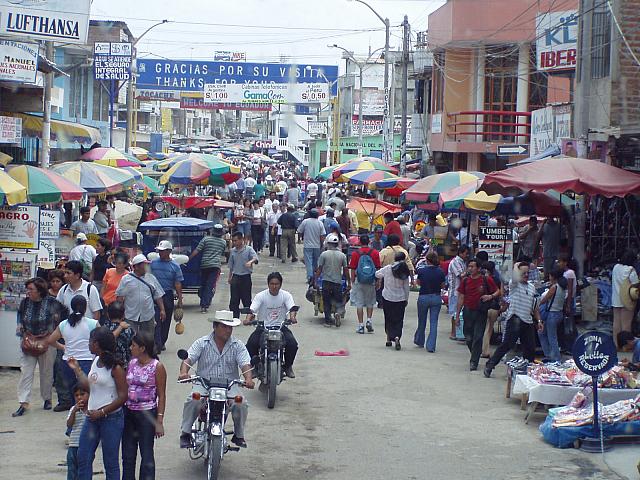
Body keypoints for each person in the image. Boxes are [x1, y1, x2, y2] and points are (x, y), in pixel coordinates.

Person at [179, 311, 254, 449]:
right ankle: (186, 432)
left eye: (230, 327)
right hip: (204, 384)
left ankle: (239, 435)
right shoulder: (202, 343)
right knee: (193, 400)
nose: (228, 330)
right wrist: (184, 373)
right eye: (224, 326)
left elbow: (245, 364)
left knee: (241, 403)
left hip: (229, 385)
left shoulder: (237, 345)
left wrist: (248, 379)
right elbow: (188, 358)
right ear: (215, 326)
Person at [70, 327, 127, 480]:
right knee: (83, 457)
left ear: (97, 345)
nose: (88, 344)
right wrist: (77, 370)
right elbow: (90, 387)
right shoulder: (96, 361)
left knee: (110, 462)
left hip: (111, 419)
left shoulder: (116, 368)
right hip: (92, 418)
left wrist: (102, 412)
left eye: (90, 341)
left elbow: (122, 397)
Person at [12, 277, 66, 417]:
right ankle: (23, 402)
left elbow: (64, 315)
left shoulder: (52, 303)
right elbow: (20, 317)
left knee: (46, 372)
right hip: (28, 341)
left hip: (47, 342)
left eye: (31, 289)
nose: (28, 292)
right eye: (28, 289)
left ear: (40, 291)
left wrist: (55, 333)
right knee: (26, 372)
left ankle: (47, 398)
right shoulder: (25, 303)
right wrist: (21, 331)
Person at [484, 262, 541, 378]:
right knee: (507, 345)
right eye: (523, 273)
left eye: (527, 273)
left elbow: (535, 307)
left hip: (528, 321)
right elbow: (514, 277)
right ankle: (490, 364)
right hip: (515, 318)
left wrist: (539, 321)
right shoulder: (514, 284)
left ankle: (527, 372)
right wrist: (516, 265)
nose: (526, 275)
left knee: (530, 348)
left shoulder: (531, 287)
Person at [122, 332, 167, 480]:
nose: (130, 348)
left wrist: (159, 421)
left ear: (142, 348)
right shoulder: (132, 363)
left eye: (133, 345)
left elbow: (161, 395)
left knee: (146, 454)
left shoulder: (157, 367)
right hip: (129, 412)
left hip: (147, 414)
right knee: (128, 454)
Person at [47, 295, 98, 407]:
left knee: (73, 392)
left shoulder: (64, 324)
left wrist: (63, 347)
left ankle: (75, 414)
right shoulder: (92, 324)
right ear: (85, 308)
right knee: (88, 392)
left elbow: (50, 340)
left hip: (68, 362)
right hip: (87, 360)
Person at [244, 272, 299, 377]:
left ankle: (288, 366)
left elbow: (292, 308)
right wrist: (247, 319)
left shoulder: (286, 295)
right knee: (251, 344)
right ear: (268, 284)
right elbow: (252, 310)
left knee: (292, 344)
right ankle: (255, 366)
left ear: (281, 284)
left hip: (281, 327)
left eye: (276, 284)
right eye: (272, 284)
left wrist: (292, 318)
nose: (274, 286)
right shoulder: (261, 296)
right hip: (262, 327)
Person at [456, 258, 498, 371]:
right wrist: (457, 314)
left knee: (478, 337)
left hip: (481, 311)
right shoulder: (465, 281)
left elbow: (497, 291)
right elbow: (461, 297)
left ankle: (474, 361)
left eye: (472, 266)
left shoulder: (486, 279)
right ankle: (475, 353)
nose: (470, 268)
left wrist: (490, 296)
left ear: (479, 268)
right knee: (468, 336)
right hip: (468, 311)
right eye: (469, 266)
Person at [116, 254, 166, 338]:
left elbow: (158, 295)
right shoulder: (126, 279)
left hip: (148, 315)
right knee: (130, 339)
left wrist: (162, 310)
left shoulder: (151, 278)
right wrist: (120, 314)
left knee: (148, 339)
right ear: (136, 267)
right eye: (144, 265)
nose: (147, 267)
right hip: (130, 315)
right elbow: (120, 297)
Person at [150, 240, 184, 351]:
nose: (160, 253)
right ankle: (157, 342)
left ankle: (162, 341)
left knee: (166, 320)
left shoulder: (175, 266)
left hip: (167, 294)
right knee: (156, 319)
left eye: (163, 251)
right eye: (159, 251)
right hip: (154, 295)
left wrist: (180, 299)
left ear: (169, 251)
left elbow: (178, 283)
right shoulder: (153, 264)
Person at [376, 251, 411, 350]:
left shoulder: (388, 268)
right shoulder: (405, 270)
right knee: (399, 319)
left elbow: (377, 274)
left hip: (387, 297)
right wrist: (406, 299)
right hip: (400, 298)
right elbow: (406, 287)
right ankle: (397, 337)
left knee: (388, 318)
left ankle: (388, 339)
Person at [189, 224, 226, 313]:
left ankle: (204, 300)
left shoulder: (206, 239)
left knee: (203, 284)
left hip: (204, 265)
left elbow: (197, 250)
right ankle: (204, 305)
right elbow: (222, 253)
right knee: (210, 286)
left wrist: (188, 259)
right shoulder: (223, 242)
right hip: (215, 266)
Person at [316, 234, 350, 328]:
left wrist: (315, 280)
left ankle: (328, 321)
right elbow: (346, 270)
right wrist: (349, 282)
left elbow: (319, 269)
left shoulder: (324, 254)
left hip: (326, 282)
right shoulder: (342, 255)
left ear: (329, 244)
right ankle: (337, 313)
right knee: (338, 300)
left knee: (326, 301)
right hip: (337, 282)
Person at [414, 251, 446, 352]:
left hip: (424, 296)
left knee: (421, 320)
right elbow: (443, 286)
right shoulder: (440, 271)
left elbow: (418, 283)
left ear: (427, 260)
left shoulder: (422, 271)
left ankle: (420, 340)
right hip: (436, 297)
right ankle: (431, 346)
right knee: (434, 322)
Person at [349, 235, 381, 334]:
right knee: (370, 302)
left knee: (359, 303)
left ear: (359, 242)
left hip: (359, 280)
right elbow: (378, 268)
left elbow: (353, 269)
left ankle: (361, 325)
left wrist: (352, 280)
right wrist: (378, 281)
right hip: (371, 280)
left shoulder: (355, 253)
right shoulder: (375, 253)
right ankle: (369, 320)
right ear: (369, 242)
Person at [611, 250, 639, 349]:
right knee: (626, 324)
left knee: (616, 323)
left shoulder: (616, 267)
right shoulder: (631, 270)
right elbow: (635, 284)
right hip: (627, 300)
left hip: (616, 299)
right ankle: (626, 346)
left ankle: (616, 345)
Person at [537, 268, 567, 362]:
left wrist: (537, 306)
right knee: (543, 333)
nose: (549, 277)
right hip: (559, 313)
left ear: (553, 277)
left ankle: (556, 358)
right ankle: (549, 355)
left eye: (550, 275)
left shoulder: (554, 287)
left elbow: (544, 300)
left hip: (552, 315)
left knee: (551, 337)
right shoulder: (562, 286)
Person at [228, 232, 258, 319]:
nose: (234, 242)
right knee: (234, 299)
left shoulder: (248, 249)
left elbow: (255, 258)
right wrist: (230, 277)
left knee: (246, 298)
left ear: (241, 240)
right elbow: (231, 265)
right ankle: (234, 317)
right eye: (233, 241)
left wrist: (250, 262)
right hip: (235, 276)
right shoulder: (233, 251)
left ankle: (250, 316)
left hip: (245, 277)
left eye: (236, 240)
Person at [481, 261, 504, 359]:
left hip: (483, 306)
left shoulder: (481, 279)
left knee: (485, 328)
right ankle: (485, 351)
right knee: (489, 328)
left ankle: (484, 350)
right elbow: (501, 293)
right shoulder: (497, 279)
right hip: (494, 306)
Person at [297, 209, 326, 283]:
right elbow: (322, 235)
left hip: (307, 245)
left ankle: (310, 276)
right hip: (317, 245)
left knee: (308, 262)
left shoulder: (306, 222)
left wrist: (300, 239)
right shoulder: (320, 223)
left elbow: (299, 231)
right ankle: (315, 277)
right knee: (315, 262)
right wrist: (322, 244)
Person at [66, 384, 89, 480]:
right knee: (72, 471)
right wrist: (74, 411)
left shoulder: (91, 410)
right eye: (76, 395)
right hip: (73, 445)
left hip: (86, 446)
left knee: (84, 471)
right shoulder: (73, 409)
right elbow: (69, 424)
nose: (79, 397)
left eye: (82, 394)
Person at [447, 245, 469, 340]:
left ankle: (458, 332)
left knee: (459, 312)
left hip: (461, 291)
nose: (467, 255)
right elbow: (461, 275)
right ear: (461, 253)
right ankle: (453, 332)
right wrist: (469, 270)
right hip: (455, 291)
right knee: (454, 312)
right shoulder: (455, 262)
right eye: (466, 253)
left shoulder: (463, 262)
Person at [103, 301, 134, 368]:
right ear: (123, 315)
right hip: (125, 365)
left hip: (106, 365)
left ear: (108, 314)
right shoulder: (128, 329)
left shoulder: (104, 328)